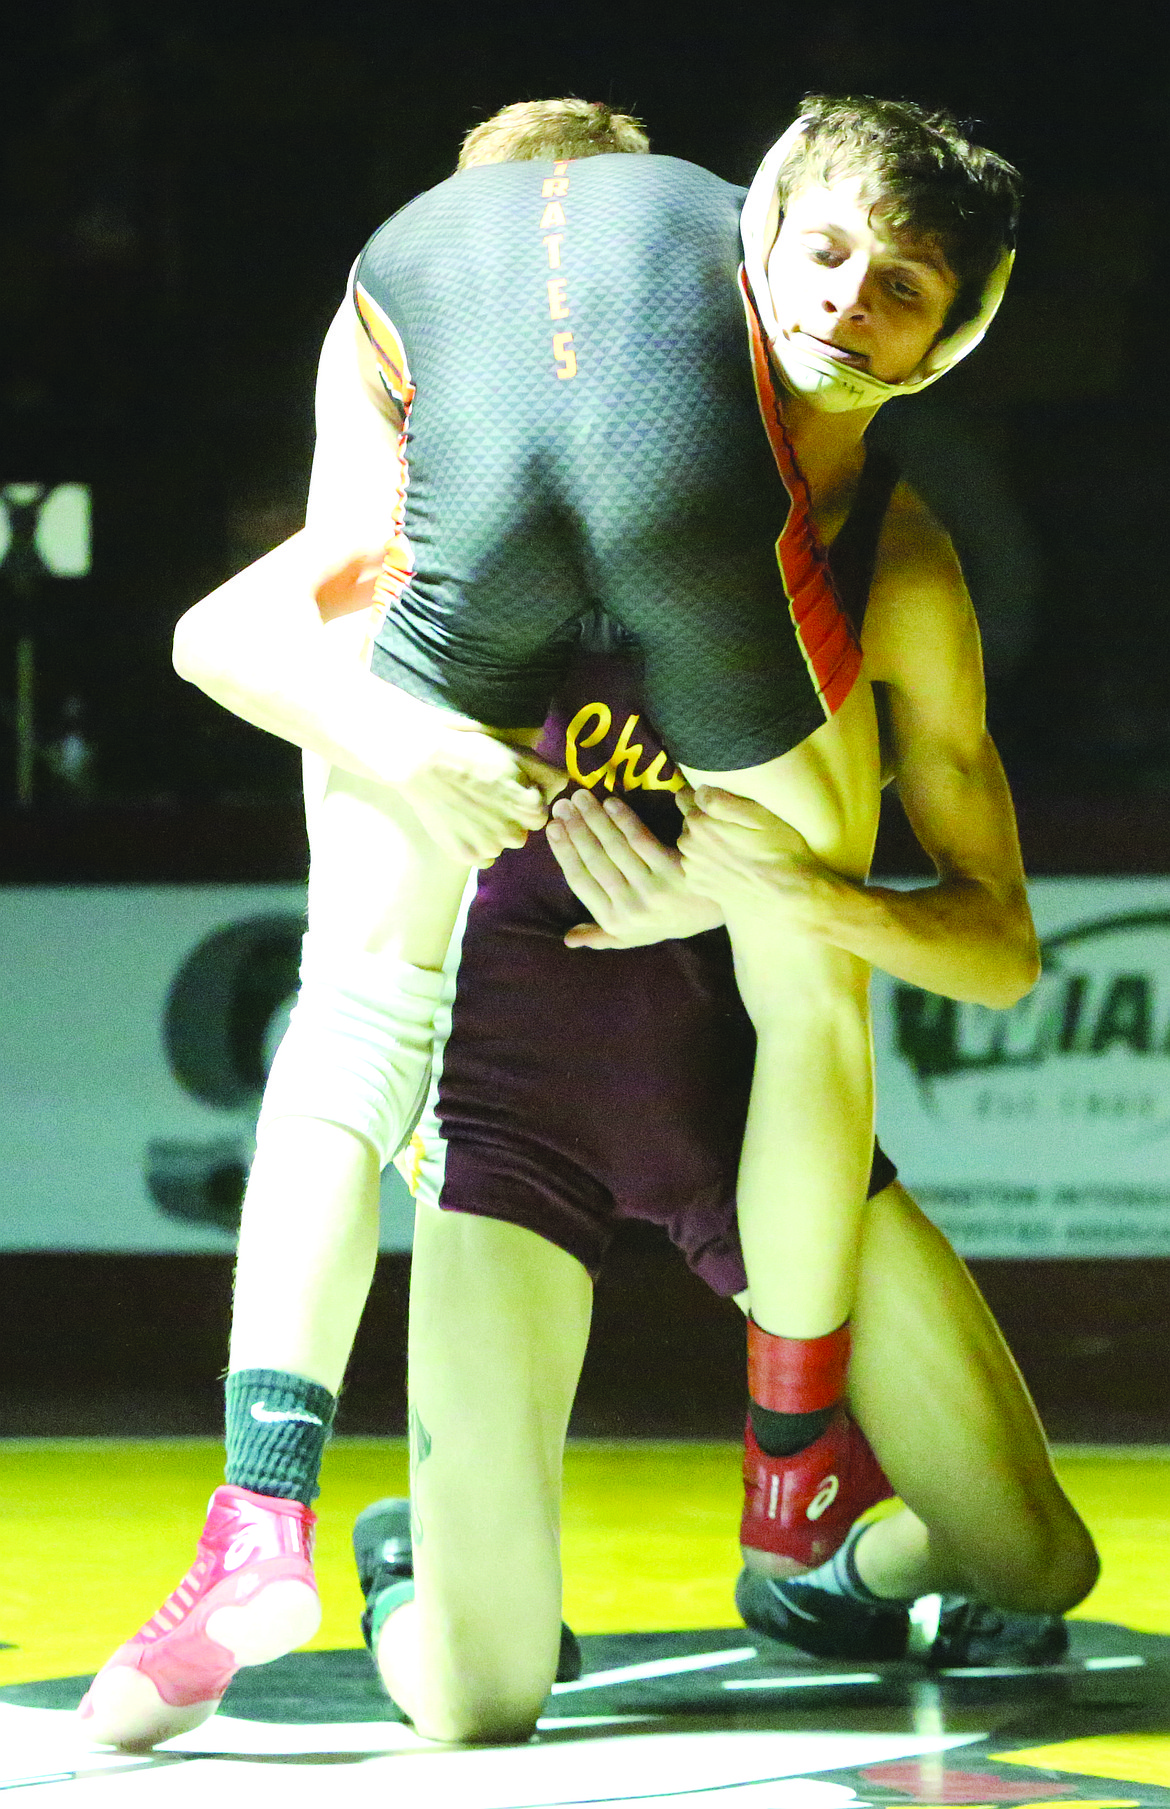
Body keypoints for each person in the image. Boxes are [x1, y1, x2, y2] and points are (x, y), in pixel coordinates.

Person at [80, 99, 1093, 1756]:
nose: (846, 298)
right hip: (511, 1126)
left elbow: (997, 951)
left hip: (751, 1109)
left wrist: (796, 892)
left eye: (899, 285)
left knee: (1028, 1558)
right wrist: (400, 740)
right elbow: (228, 643)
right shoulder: (434, 534)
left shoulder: (883, 557)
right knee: (475, 1705)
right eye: (828, 256)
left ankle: (826, 1571)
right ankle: (408, 1564)